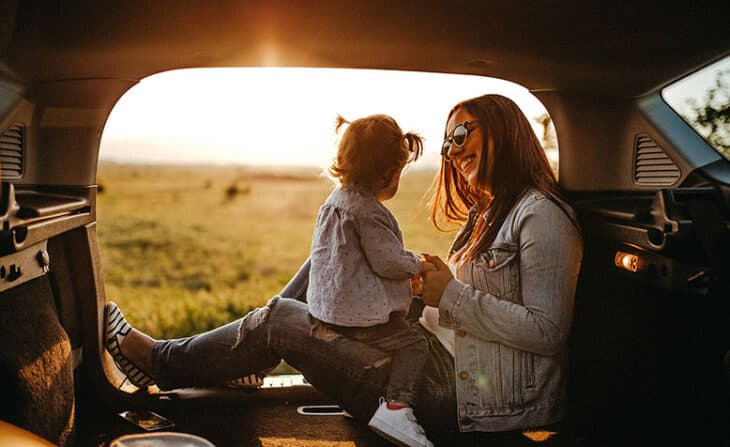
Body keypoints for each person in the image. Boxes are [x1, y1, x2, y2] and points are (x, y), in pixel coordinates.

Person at [104, 93, 582, 445]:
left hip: (452, 395)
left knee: (278, 320)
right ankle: (249, 357)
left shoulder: (541, 214)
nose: (453, 150)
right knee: (329, 257)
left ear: (506, 129)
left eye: (462, 134)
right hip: (439, 362)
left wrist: (449, 295)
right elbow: (463, 309)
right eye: (447, 142)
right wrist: (423, 288)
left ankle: (162, 362)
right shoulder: (494, 213)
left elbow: (547, 331)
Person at [306, 114, 434, 447]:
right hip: (360, 321)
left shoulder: (334, 202)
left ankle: (361, 402)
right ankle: (397, 407)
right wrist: (416, 264)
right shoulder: (369, 211)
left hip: (329, 312)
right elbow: (388, 262)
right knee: (414, 345)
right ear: (389, 173)